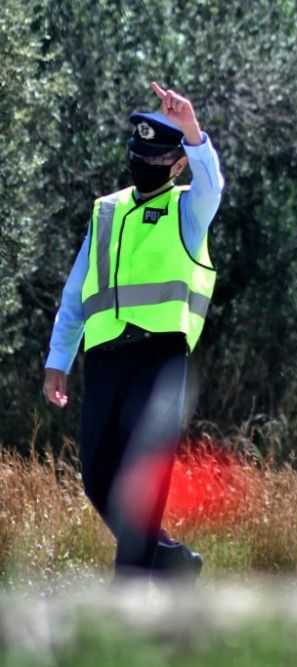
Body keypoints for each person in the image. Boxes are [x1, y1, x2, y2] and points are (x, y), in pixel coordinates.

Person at [42, 82, 224, 583]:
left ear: (177, 163)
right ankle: (167, 559)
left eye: (156, 155)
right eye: (137, 153)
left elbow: (214, 186)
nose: (143, 162)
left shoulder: (190, 209)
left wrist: (192, 131)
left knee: (142, 478)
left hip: (160, 359)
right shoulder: (105, 211)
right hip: (103, 360)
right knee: (98, 480)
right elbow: (78, 291)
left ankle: (129, 601)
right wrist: (59, 357)